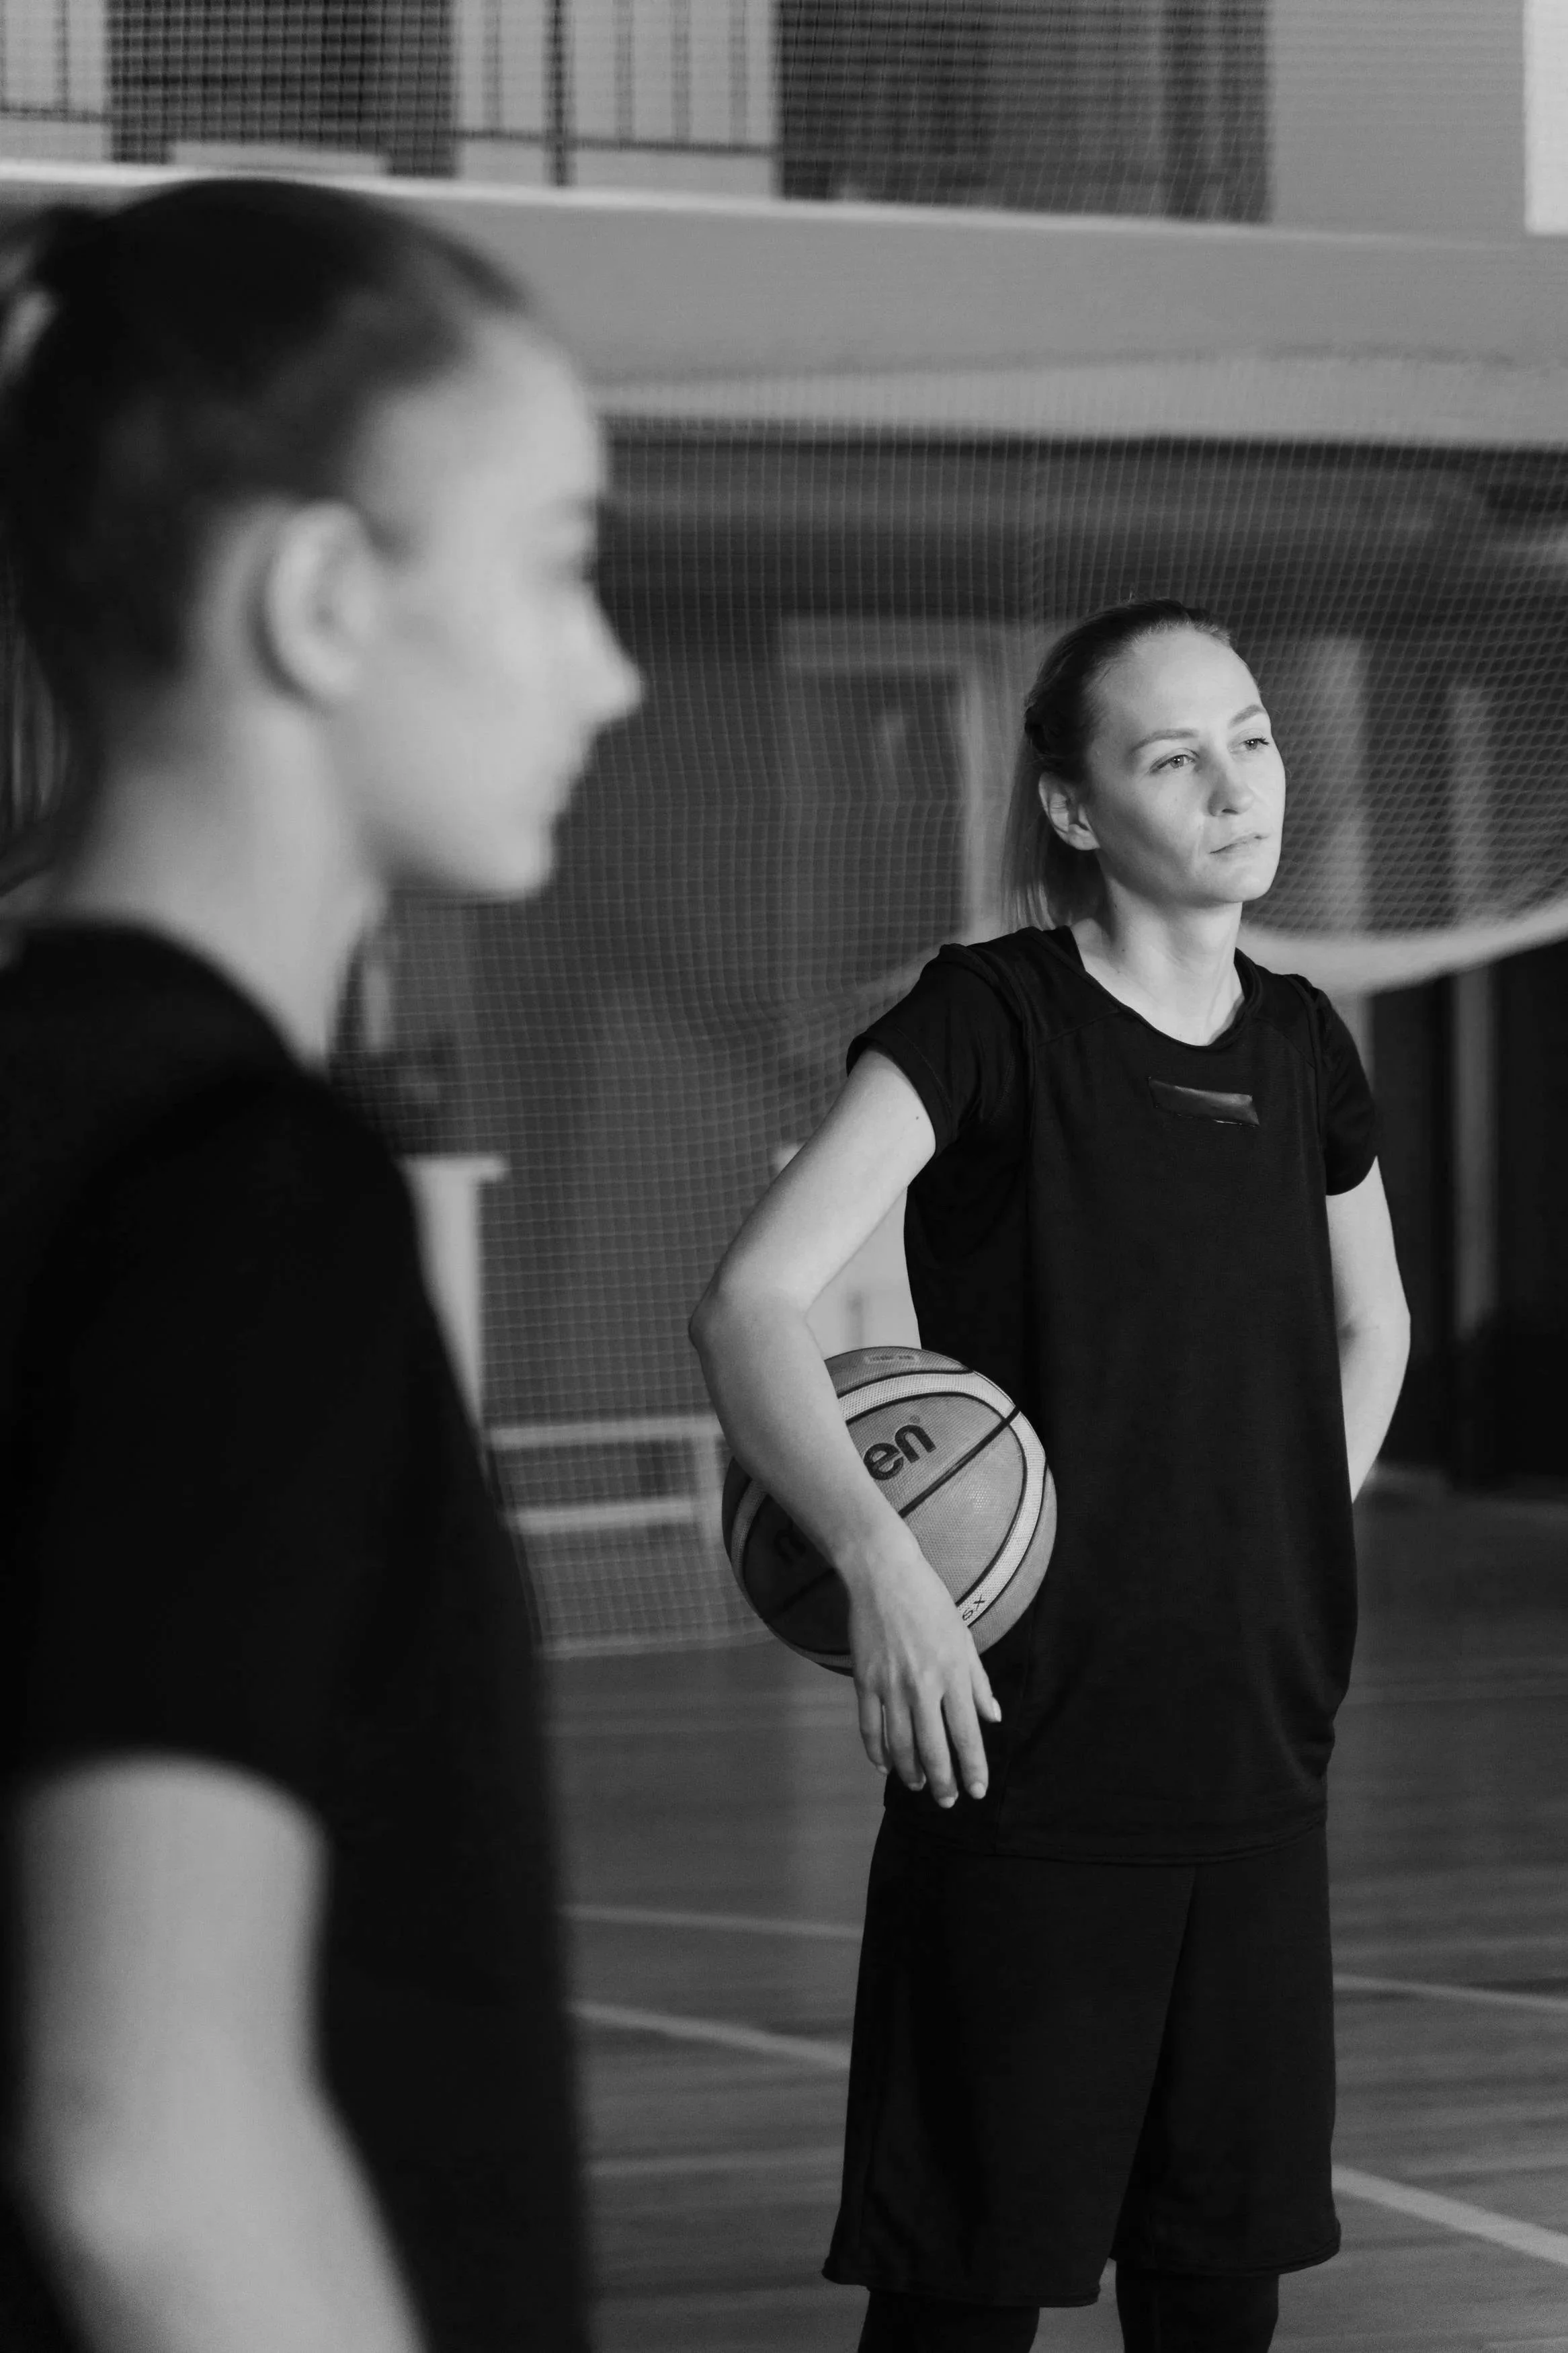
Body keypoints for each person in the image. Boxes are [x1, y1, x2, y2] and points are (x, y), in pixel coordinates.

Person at [0, 178, 641, 2352]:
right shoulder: (247, 1193)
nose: (612, 667)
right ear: (324, 599)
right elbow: (151, 2144)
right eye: (560, 569)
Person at [690, 600, 1410, 2353]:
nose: (1236, 779)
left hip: (1253, 1735)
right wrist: (879, 1566)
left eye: (1248, 731)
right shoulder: (988, 1018)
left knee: (1212, 2277)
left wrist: (1273, 1538)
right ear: (1077, 809)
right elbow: (750, 1303)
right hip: (1017, 1747)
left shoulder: (1303, 1041)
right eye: (1173, 754)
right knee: (964, 2293)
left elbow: (1370, 1323)